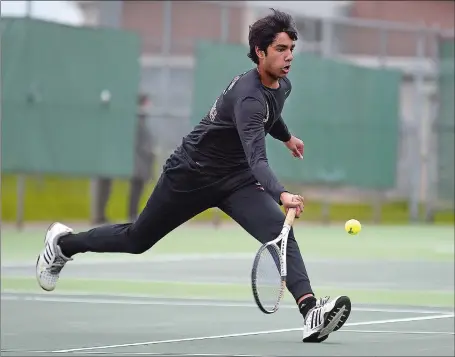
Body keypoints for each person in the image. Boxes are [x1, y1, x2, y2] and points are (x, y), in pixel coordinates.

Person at [36, 9, 351, 343]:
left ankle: (310, 311)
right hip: (190, 175)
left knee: (278, 231)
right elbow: (257, 156)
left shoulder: (280, 85)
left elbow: (270, 117)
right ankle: (63, 244)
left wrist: (286, 138)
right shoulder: (248, 98)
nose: (289, 57)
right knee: (136, 240)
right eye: (280, 49)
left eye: (291, 49)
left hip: (236, 180)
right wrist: (281, 193)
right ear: (260, 51)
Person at [93, 93, 155, 224]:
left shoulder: (141, 120)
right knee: (107, 183)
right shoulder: (129, 120)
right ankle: (101, 216)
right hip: (132, 159)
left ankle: (131, 215)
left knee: (137, 185)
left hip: (138, 160)